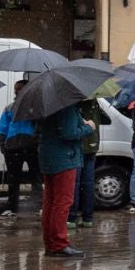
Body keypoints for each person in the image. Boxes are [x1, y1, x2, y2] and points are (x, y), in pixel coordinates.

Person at [38, 97, 91, 258]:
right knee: (63, 201)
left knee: (51, 201)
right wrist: (88, 127)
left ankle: (50, 242)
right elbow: (69, 133)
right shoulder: (67, 107)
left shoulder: (48, 105)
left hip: (49, 157)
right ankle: (59, 244)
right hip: (64, 158)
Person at [0, 82, 39, 218]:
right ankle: (32, 206)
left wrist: (3, 146)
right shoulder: (14, 107)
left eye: (19, 89)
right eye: (17, 90)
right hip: (22, 146)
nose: (18, 92)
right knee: (32, 178)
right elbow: (2, 129)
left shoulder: (12, 107)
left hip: (19, 146)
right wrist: (3, 147)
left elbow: (3, 129)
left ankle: (15, 207)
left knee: (19, 179)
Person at [70, 99, 106, 228]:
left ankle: (72, 218)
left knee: (75, 183)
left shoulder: (74, 102)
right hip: (92, 144)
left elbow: (73, 125)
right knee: (88, 183)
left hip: (79, 145)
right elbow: (99, 120)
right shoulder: (94, 102)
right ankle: (88, 218)